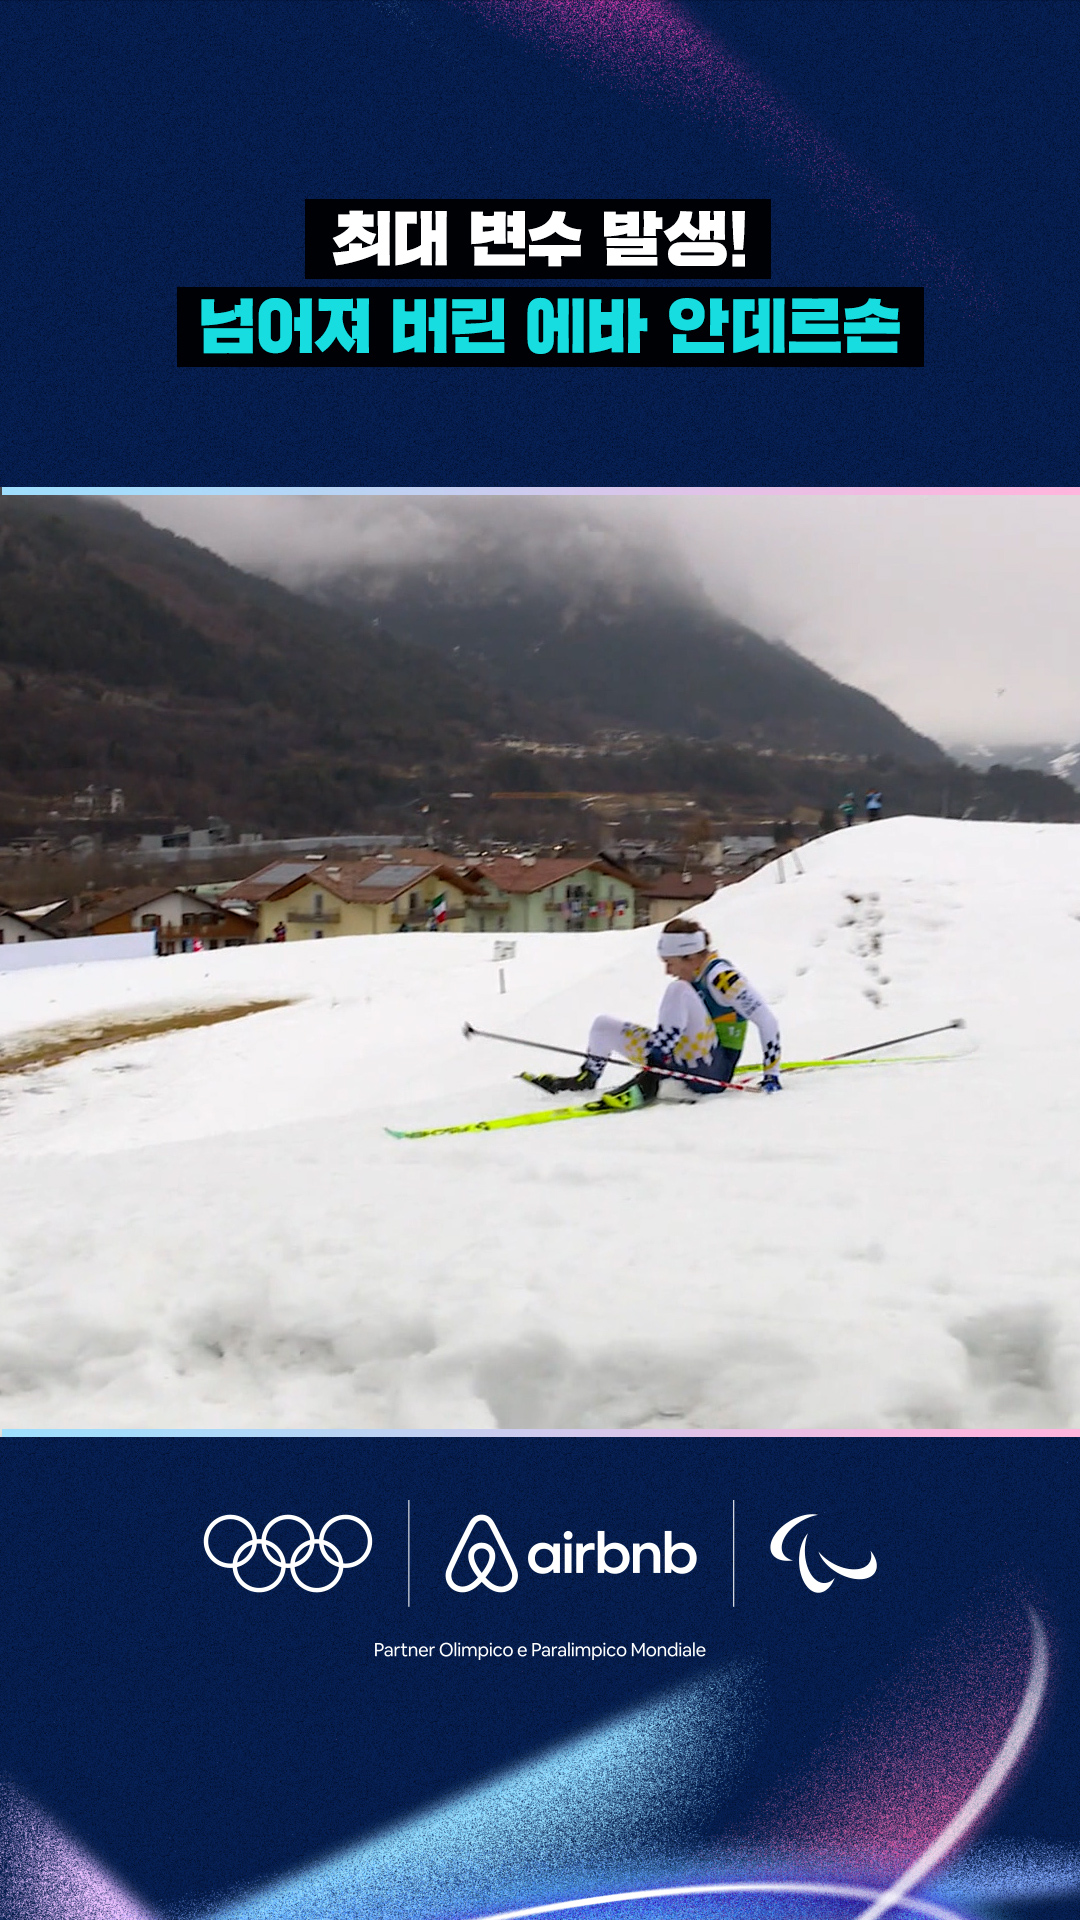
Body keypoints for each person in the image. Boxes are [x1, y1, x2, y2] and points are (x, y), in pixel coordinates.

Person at [527, 918, 782, 1103]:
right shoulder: (693, 975)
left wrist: (771, 1076)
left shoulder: (722, 977)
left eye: (670, 963)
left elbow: (767, 1021)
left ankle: (653, 1072)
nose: (667, 971)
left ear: (691, 958)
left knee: (678, 989)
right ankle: (587, 1078)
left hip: (712, 1072)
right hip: (685, 1059)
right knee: (603, 1025)